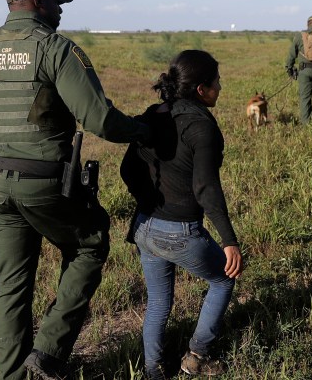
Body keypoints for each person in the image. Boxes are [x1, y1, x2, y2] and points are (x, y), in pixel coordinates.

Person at [0, 0, 151, 380]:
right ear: (39, 1)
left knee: (11, 282)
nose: (61, 11)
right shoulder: (57, 49)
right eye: (57, 2)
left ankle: (12, 375)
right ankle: (49, 353)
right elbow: (100, 120)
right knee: (89, 246)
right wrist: (145, 129)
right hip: (45, 182)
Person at [120, 50, 243, 379]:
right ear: (201, 89)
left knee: (159, 300)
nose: (221, 86)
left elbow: (127, 169)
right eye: (217, 82)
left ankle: (152, 371)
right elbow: (206, 189)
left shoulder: (152, 113)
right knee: (224, 278)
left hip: (144, 227)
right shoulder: (202, 128)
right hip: (180, 232)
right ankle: (196, 358)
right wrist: (229, 241)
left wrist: (150, 202)